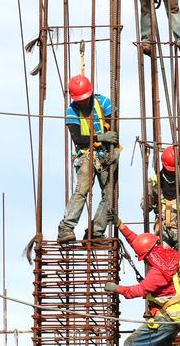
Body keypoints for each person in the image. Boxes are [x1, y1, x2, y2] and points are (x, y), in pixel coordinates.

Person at [58, 74, 118, 242]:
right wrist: (101, 138)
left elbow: (114, 128)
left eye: (85, 98)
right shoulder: (72, 111)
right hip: (86, 155)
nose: (83, 102)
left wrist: (113, 148)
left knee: (110, 195)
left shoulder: (104, 103)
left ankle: (96, 232)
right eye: (80, 99)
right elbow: (77, 139)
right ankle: (66, 228)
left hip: (105, 155)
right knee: (82, 191)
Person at [144, 145, 180, 249]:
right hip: (163, 233)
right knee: (163, 262)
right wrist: (152, 195)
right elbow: (145, 207)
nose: (172, 172)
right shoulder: (154, 181)